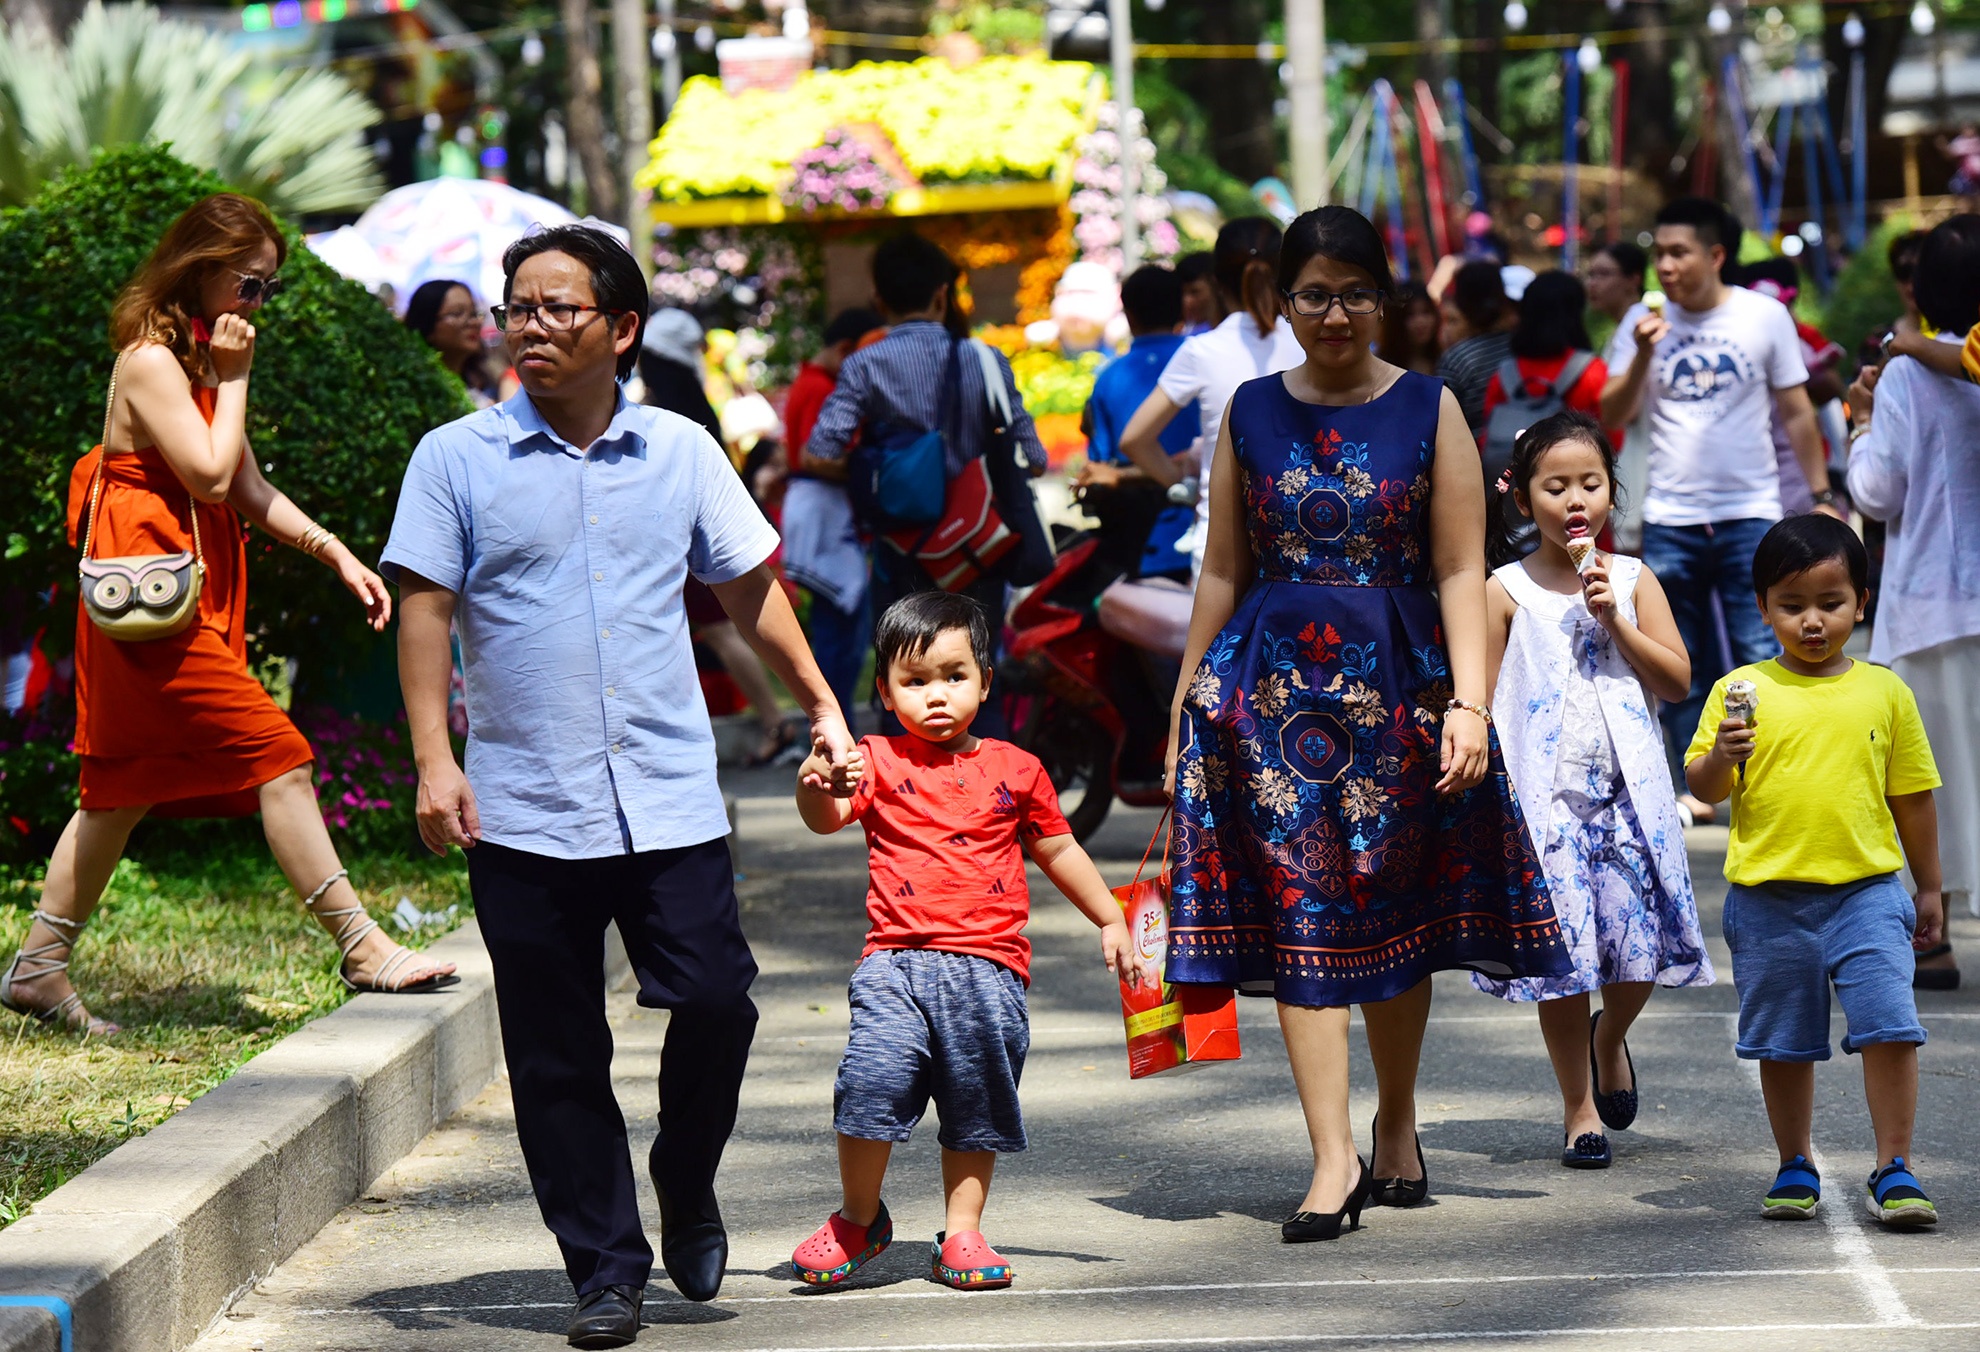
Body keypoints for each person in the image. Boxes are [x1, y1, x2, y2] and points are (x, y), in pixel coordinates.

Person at [382, 222, 855, 1348]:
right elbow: (425, 609)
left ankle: (683, 1174)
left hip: (667, 792)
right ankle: (604, 1265)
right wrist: (433, 758)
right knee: (555, 1050)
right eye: (519, 306)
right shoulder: (456, 458)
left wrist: (825, 704)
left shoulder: (684, 450)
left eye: (558, 308)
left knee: (716, 1000)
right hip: (523, 802)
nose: (530, 326)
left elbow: (750, 591)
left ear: (622, 328)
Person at [1164, 205, 1570, 1242]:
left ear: (1383, 299)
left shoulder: (1431, 406)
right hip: (1268, 704)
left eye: (1353, 292)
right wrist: (1183, 702)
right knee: (1303, 906)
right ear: (1279, 302)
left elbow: (1460, 569)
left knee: (1393, 914)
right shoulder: (1248, 409)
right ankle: (1331, 1153)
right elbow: (1221, 565)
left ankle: (1396, 1123)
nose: (1334, 313)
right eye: (1312, 294)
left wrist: (1472, 705)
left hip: (1403, 692)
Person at [0, 194, 457, 1037]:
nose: (256, 305)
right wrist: (235, 377)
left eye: (267, 291)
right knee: (278, 757)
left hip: (171, 607)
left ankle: (36, 969)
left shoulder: (201, 358)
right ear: (199, 268)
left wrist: (336, 553)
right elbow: (211, 477)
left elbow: (246, 489)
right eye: (249, 285)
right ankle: (360, 944)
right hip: (153, 614)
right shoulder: (150, 362)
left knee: (118, 792)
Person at [786, 592, 1137, 1291]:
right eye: (914, 682)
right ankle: (860, 1217)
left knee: (977, 1104)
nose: (936, 696)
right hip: (894, 964)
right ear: (884, 692)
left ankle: (966, 1228)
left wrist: (1110, 916)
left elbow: (1059, 849)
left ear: (985, 680)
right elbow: (825, 819)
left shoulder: (1018, 768)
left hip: (990, 970)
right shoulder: (875, 759)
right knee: (869, 1084)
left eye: (954, 676)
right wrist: (815, 783)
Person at [1685, 516, 1943, 1228]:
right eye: (1791, 604)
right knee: (1783, 1041)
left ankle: (1896, 1167)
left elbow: (1913, 797)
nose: (1812, 621)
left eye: (1830, 602)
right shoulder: (1741, 689)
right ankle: (1794, 1161)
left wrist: (1928, 887)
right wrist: (1723, 757)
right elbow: (1705, 791)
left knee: (1891, 1027)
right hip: (1770, 900)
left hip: (1867, 893)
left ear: (1862, 602)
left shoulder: (1885, 692)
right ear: (1763, 605)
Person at [1478, 409, 1712, 1169]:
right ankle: (1580, 1109)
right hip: (1544, 807)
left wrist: (1618, 620)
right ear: (1523, 500)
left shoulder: (1636, 579)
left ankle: (1610, 1036)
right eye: (1555, 486)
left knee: (1635, 955)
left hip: (1628, 801)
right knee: (1563, 961)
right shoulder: (1505, 589)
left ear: (1614, 492)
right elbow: (1477, 694)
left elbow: (1677, 681)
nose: (1574, 499)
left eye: (1590, 483)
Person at [1599, 197, 1836, 785]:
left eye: (1680, 253)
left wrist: (1822, 492)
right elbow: (1611, 411)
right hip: (1671, 515)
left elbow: (1798, 412)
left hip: (1750, 510)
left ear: (1716, 255)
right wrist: (1645, 354)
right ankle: (1696, 781)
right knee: (1680, 656)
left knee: (1763, 643)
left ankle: (1777, 769)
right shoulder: (1640, 323)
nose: (1667, 268)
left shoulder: (1762, 316)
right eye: (1661, 255)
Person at [804, 232, 1050, 741]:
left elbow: (821, 449)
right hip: (979, 549)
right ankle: (995, 800)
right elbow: (1037, 458)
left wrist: (886, 467)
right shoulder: (984, 359)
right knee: (978, 674)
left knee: (906, 675)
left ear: (879, 300)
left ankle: (912, 803)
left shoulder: (863, 364)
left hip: (903, 549)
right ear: (943, 295)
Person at [1846, 213, 1980, 992]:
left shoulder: (1904, 376)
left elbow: (1877, 492)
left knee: (1928, 779)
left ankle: (1933, 936)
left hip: (1929, 603)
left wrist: (1860, 425)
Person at [643, 305, 798, 766]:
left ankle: (777, 724)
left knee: (721, 631)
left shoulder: (663, 410)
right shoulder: (693, 404)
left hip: (680, 540)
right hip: (689, 537)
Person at [1116, 218, 1305, 577]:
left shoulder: (1201, 352)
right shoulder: (1310, 343)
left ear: (1217, 282)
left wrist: (1186, 489)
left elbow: (1135, 439)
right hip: (1307, 545)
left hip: (1222, 554)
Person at [781, 308, 884, 722]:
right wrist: (870, 469)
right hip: (823, 509)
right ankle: (836, 723)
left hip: (817, 509)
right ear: (846, 352)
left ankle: (833, 721)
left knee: (838, 628)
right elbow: (816, 456)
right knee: (842, 632)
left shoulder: (810, 381)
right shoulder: (822, 387)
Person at [1077, 263, 1199, 581]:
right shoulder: (1205, 361)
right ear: (1183, 307)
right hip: (1209, 531)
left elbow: (1101, 463)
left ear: (1128, 315)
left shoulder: (1107, 378)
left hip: (1140, 544)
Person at [1741, 258, 1849, 518]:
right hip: (1755, 473)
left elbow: (1829, 387)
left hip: (1796, 467)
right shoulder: (1740, 340)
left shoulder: (1798, 338)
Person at [1587, 242, 1651, 549]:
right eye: (1590, 275)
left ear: (1632, 279)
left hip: (1644, 458)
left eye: (1603, 274)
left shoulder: (1639, 324)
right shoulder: (1624, 328)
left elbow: (1626, 408)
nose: (1592, 284)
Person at [1435, 260, 1518, 438]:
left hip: (1477, 456)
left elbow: (1442, 423)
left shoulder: (1456, 359)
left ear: (1462, 302)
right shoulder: (1521, 345)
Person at [402, 278, 510, 407]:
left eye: (474, 313)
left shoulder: (487, 379)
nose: (474, 322)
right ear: (427, 323)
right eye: (458, 313)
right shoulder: (412, 389)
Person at [1375, 281, 1442, 375]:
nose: (1420, 321)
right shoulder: (1380, 367)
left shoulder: (1446, 361)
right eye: (1410, 314)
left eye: (1426, 312)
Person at [1176, 250, 1223, 335]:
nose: (1187, 301)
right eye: (1181, 293)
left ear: (1217, 287)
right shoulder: (1183, 332)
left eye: (1194, 292)